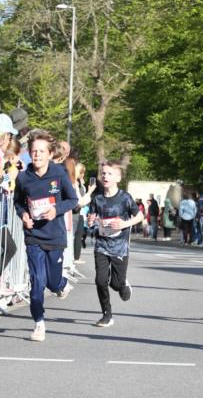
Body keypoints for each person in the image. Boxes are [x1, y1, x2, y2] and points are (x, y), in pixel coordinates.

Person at [13, 130, 79, 341]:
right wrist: (23, 215)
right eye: (34, 151)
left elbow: (72, 200)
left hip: (55, 236)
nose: (37, 155)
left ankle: (61, 285)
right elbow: (18, 202)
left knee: (52, 282)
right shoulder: (23, 178)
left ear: (50, 154)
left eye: (42, 151)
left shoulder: (59, 174)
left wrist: (56, 210)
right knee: (37, 282)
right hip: (33, 235)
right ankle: (39, 323)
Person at [88, 161, 143, 328]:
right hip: (102, 245)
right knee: (100, 280)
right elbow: (93, 219)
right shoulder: (97, 198)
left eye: (109, 173)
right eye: (103, 173)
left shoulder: (125, 198)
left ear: (118, 178)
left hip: (120, 247)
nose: (105, 176)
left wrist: (125, 224)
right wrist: (91, 221)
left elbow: (140, 216)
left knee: (116, 284)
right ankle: (107, 314)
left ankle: (122, 283)